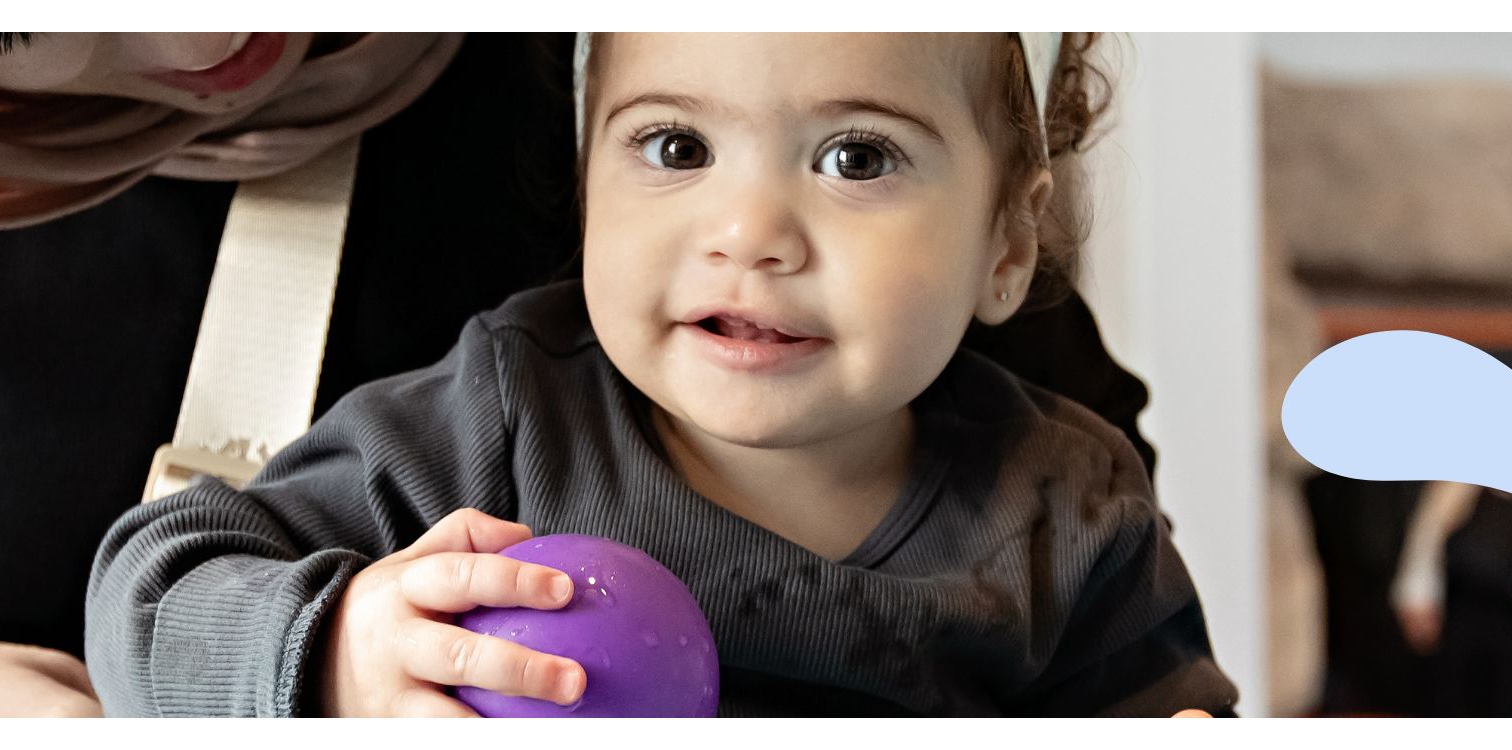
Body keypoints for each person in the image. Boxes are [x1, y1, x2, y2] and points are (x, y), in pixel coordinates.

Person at [0, 32, 1159, 718]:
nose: (204, 38)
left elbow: (1085, 536)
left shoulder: (1040, 480)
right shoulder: (495, 404)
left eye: (845, 164)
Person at [87, 32, 1233, 718]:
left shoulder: (1066, 510)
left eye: (855, 157)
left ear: (1006, 247)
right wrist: (333, 653)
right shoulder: (498, 421)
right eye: (675, 148)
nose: (748, 231)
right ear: (590, 183)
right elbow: (148, 587)